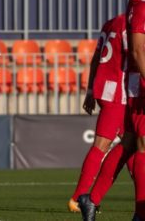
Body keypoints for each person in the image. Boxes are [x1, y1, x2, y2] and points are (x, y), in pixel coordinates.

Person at [79, 0, 145, 219]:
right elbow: (138, 52)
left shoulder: (133, 6)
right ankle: (140, 211)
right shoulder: (140, 7)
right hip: (137, 88)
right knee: (137, 146)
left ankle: (90, 199)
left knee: (128, 144)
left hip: (131, 86)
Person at [67, 14, 130, 212]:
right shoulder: (132, 21)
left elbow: (97, 58)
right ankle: (79, 198)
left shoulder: (111, 22)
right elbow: (137, 53)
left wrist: (90, 90)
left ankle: (88, 198)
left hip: (104, 87)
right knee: (104, 145)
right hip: (117, 91)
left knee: (132, 145)